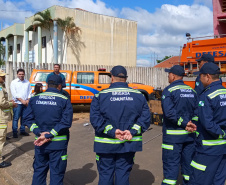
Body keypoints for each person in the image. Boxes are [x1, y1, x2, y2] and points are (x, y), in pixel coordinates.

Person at [90, 65, 151, 185]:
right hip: (127, 144)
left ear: (112, 78)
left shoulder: (100, 95)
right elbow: (145, 118)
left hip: (105, 145)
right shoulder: (139, 95)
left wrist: (112, 131)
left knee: (105, 175)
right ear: (126, 78)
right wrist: (132, 131)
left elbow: (95, 118)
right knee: (123, 175)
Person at [23, 75, 73, 185]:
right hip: (58, 145)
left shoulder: (35, 98)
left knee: (39, 172)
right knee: (57, 174)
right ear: (59, 86)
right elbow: (66, 122)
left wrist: (38, 132)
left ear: (46, 85)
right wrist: (50, 134)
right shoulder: (64, 100)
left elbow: (27, 119)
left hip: (40, 143)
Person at [189, 62, 226, 185]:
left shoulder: (206, 95)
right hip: (223, 148)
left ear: (208, 77)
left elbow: (208, 124)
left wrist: (221, 133)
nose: (199, 79)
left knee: (198, 180)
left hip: (208, 147)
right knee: (218, 180)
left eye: (201, 76)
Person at [161, 65, 197, 185]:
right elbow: (197, 113)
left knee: (171, 171)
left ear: (173, 75)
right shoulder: (192, 91)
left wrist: (184, 123)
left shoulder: (169, 90)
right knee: (188, 170)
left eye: (169, 74)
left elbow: (169, 113)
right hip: (190, 137)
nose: (168, 76)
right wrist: (192, 124)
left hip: (173, 138)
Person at [0, 70, 17, 168]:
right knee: (1, 139)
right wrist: (12, 104)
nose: (4, 78)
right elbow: (2, 103)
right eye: (2, 77)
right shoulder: (0, 88)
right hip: (1, 118)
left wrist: (8, 101)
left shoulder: (2, 87)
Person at [10, 69, 32, 138]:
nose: (21, 75)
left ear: (24, 74)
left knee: (24, 117)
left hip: (25, 103)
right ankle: (15, 132)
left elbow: (30, 92)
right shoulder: (14, 82)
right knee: (16, 118)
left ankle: (22, 130)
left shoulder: (27, 82)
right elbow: (14, 94)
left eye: (22, 74)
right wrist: (22, 100)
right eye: (19, 74)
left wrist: (28, 100)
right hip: (17, 103)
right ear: (17, 74)